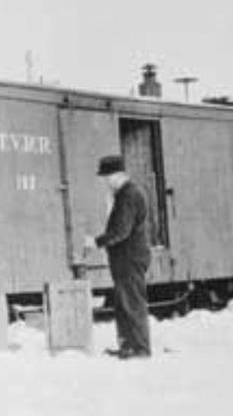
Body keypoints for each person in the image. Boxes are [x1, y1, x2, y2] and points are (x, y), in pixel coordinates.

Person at [83, 154, 152, 359]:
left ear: (117, 175)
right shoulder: (127, 193)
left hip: (130, 258)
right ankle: (128, 346)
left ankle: (140, 349)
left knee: (132, 303)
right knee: (124, 303)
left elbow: (121, 230)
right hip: (126, 258)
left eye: (106, 177)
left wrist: (96, 242)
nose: (105, 182)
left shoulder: (129, 195)